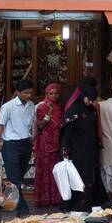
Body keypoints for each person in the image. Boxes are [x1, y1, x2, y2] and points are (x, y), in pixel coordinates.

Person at [0, 80, 36, 217]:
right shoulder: (8, 106)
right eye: (25, 93)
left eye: (30, 92)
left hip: (26, 144)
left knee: (18, 177)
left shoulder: (31, 105)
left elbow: (33, 123)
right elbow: (0, 126)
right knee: (14, 179)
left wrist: (33, 139)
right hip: (11, 144)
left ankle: (8, 199)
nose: (28, 95)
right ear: (17, 92)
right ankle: (23, 210)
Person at [59, 82, 102, 210]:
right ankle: (75, 206)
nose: (90, 102)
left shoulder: (91, 111)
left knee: (89, 178)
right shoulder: (72, 111)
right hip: (76, 153)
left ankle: (87, 205)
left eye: (92, 100)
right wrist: (65, 152)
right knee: (77, 178)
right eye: (88, 99)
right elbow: (66, 133)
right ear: (83, 96)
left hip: (89, 152)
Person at [32, 82, 65, 210]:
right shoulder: (41, 107)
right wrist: (48, 115)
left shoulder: (59, 107)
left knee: (56, 170)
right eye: (51, 93)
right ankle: (44, 200)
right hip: (45, 143)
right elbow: (39, 125)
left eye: (56, 93)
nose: (54, 96)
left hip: (57, 141)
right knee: (45, 171)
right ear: (47, 94)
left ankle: (56, 198)